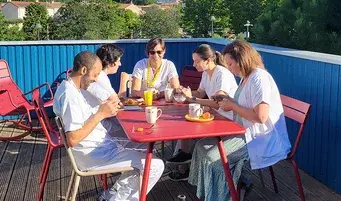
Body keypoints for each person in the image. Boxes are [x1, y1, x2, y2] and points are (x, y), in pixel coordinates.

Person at [187, 40, 291, 201]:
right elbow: (243, 105)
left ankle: (226, 195)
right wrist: (228, 100)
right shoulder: (246, 78)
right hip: (241, 131)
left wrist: (232, 106)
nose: (229, 68)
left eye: (230, 64)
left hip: (258, 138)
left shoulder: (259, 78)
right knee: (201, 146)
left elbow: (261, 117)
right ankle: (211, 192)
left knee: (214, 160)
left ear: (242, 60)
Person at [53, 51, 164, 201]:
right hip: (94, 154)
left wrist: (101, 111)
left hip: (100, 146)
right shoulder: (70, 96)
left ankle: (113, 194)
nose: (96, 79)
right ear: (84, 70)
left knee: (144, 149)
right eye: (95, 75)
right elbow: (72, 139)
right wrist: (101, 114)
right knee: (155, 165)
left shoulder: (70, 88)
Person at [166, 44, 238, 177]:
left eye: (197, 61)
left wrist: (192, 99)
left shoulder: (221, 74)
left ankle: (185, 163)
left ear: (208, 60)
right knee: (186, 120)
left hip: (229, 119)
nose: (194, 65)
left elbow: (219, 103)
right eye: (194, 61)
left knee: (190, 122)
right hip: (216, 115)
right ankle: (184, 158)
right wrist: (186, 93)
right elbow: (199, 93)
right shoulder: (206, 73)